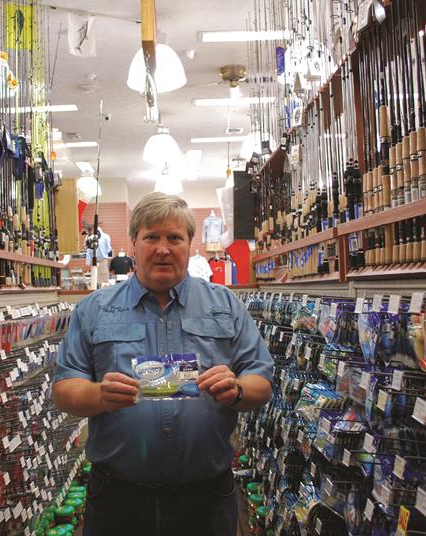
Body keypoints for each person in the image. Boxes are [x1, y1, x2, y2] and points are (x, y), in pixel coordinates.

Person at [52, 192, 273, 536]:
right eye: (151, 237)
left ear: (189, 244)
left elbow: (261, 380)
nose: (163, 249)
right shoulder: (94, 310)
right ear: (134, 243)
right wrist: (100, 395)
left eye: (174, 238)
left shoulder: (226, 306)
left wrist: (238, 389)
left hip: (207, 501)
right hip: (117, 501)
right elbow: (65, 389)